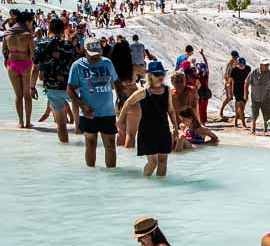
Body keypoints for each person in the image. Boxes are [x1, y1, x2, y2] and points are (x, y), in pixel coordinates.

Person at [119, 60, 179, 178]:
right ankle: (145, 184)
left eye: (162, 74)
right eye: (157, 74)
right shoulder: (144, 92)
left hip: (163, 128)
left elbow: (171, 110)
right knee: (153, 162)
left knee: (163, 160)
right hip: (147, 130)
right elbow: (128, 103)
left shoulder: (167, 90)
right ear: (150, 76)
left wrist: (175, 128)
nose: (160, 77)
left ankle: (160, 190)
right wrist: (120, 121)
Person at [67, 39, 120, 168]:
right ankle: (91, 175)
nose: (95, 58)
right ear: (84, 51)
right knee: (91, 144)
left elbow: (116, 82)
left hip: (108, 112)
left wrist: (119, 100)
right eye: (92, 55)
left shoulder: (107, 63)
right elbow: (70, 89)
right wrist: (82, 106)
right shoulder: (77, 66)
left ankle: (112, 177)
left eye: (97, 54)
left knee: (111, 145)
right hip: (88, 113)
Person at [31, 16, 78, 143]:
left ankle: (65, 149)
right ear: (63, 31)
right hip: (70, 86)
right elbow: (76, 66)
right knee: (80, 121)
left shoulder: (41, 46)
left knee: (61, 124)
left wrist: (32, 87)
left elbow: (35, 68)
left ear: (49, 30)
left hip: (52, 87)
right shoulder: (69, 46)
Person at [3, 9, 34, 128]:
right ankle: (28, 122)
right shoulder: (27, 35)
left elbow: (4, 52)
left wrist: (8, 63)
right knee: (27, 94)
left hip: (12, 64)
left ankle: (20, 122)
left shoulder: (7, 34)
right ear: (26, 22)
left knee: (18, 95)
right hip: (25, 64)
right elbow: (32, 54)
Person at [247, 58, 270, 135]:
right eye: (265, 65)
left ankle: (265, 130)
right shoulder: (254, 72)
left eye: (268, 65)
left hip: (265, 97)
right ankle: (253, 129)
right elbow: (246, 82)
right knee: (255, 113)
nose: (267, 66)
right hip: (255, 97)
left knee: (267, 114)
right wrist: (246, 93)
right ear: (261, 65)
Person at [228, 56, 252, 129]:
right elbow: (230, 82)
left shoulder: (248, 69)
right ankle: (243, 124)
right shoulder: (234, 70)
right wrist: (230, 93)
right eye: (238, 64)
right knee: (240, 106)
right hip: (237, 89)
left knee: (242, 106)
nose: (240, 66)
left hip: (245, 89)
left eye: (241, 64)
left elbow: (249, 80)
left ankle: (236, 119)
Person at [218, 50, 240, 122]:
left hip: (233, 82)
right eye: (235, 57)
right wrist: (227, 82)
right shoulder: (229, 63)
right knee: (229, 98)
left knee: (233, 97)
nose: (236, 58)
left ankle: (238, 113)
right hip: (229, 82)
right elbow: (226, 74)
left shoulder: (235, 63)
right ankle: (221, 111)